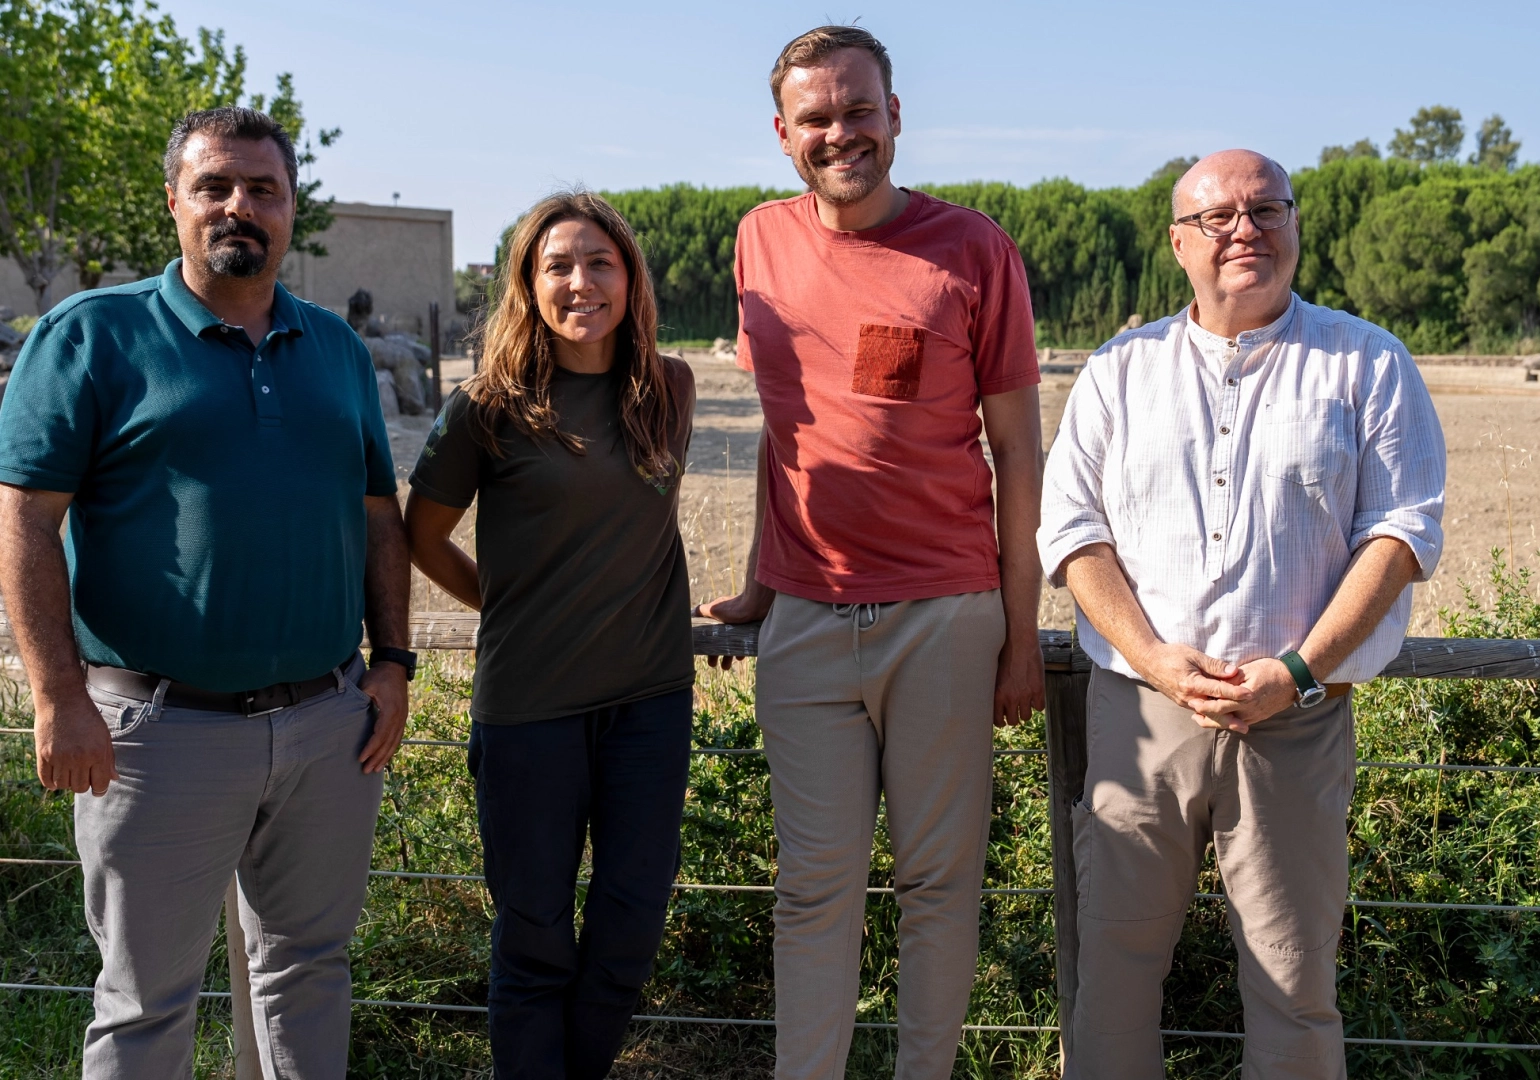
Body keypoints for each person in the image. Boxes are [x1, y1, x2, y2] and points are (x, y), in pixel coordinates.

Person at [0, 107, 411, 1078]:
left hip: (326, 725)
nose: (240, 207)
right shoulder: (92, 337)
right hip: (155, 734)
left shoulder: (337, 352)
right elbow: (24, 522)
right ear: (176, 202)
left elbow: (377, 521)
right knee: (144, 1002)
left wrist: (390, 664)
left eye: (262, 189)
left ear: (291, 209)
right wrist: (59, 697)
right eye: (216, 186)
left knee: (309, 972)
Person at [1037, 149, 1447, 1079]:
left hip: (1295, 717)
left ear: (1296, 226)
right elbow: (1070, 530)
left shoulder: (1367, 363)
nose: (1244, 231)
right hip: (1140, 715)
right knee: (1112, 973)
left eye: (1266, 209)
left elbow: (1398, 532)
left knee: (1293, 982)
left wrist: (1295, 671)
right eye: (1216, 218)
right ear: (1179, 243)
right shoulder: (1118, 372)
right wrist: (1150, 657)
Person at [696, 26, 1046, 1080]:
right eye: (816, 117)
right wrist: (761, 584)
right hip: (803, 620)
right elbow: (786, 429)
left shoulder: (974, 250)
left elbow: (1019, 453)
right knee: (811, 887)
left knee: (938, 885)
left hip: (944, 614)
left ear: (896, 115)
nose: (839, 132)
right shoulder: (757, 241)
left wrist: (1019, 635)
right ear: (782, 134)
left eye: (859, 110)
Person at [405, 191, 697, 1080]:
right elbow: (420, 535)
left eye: (599, 262)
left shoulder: (668, 388)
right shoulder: (488, 407)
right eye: (557, 266)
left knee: (628, 928)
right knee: (533, 940)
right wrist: (504, 601)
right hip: (529, 712)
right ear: (528, 286)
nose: (580, 282)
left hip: (650, 705)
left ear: (629, 276)